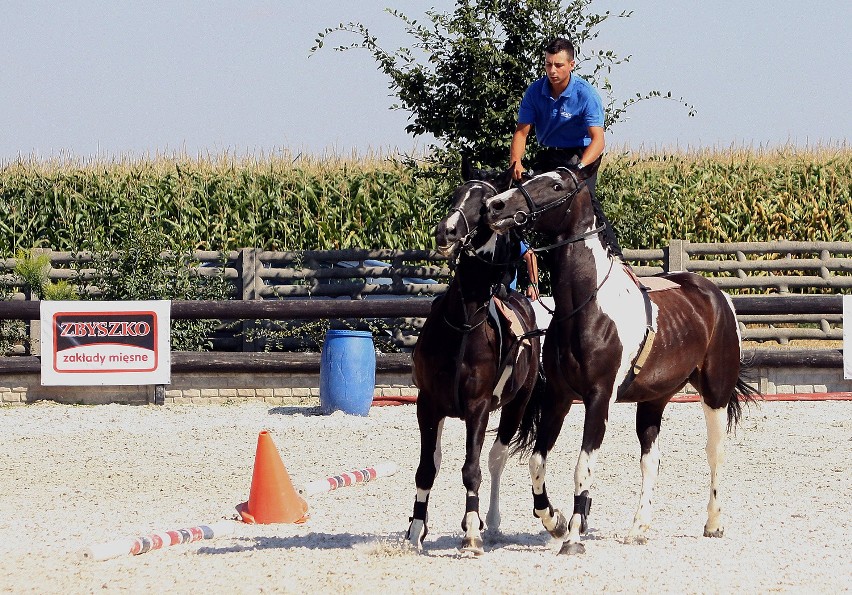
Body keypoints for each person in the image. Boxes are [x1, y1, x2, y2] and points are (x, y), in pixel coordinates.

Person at [509, 37, 623, 259]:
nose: (552, 70)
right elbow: (521, 133)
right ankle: (510, 265)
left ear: (571, 65)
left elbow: (598, 140)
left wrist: (579, 168)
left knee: (588, 203)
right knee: (520, 198)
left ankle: (617, 259)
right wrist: (516, 163)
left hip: (579, 157)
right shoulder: (535, 91)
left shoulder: (586, 94)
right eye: (548, 64)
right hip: (549, 155)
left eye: (558, 65)